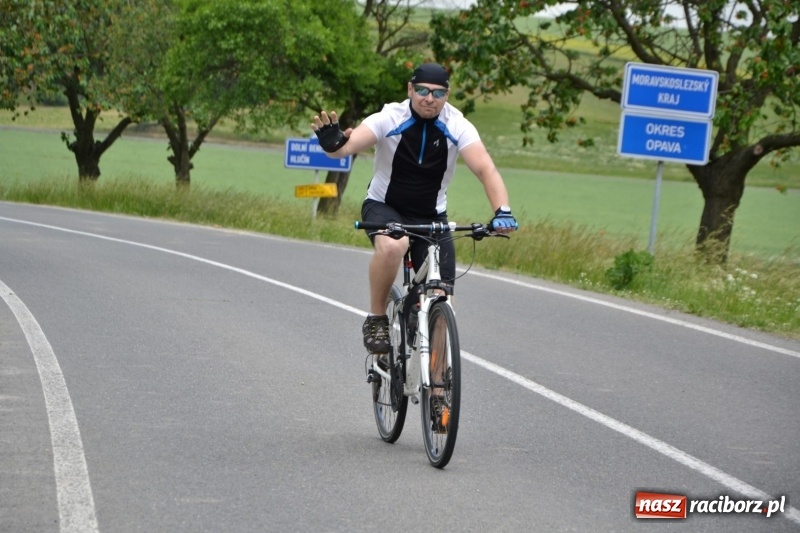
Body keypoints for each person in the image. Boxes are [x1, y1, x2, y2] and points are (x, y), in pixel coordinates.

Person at [311, 62, 517, 354]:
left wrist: (502, 211)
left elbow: (486, 169)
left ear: (447, 95)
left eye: (438, 93)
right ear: (410, 89)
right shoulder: (389, 116)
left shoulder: (457, 124)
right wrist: (333, 145)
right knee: (394, 246)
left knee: (442, 298)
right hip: (384, 207)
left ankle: (437, 392)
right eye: (421, 90)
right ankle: (377, 318)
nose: (429, 98)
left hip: (432, 216)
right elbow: (348, 145)